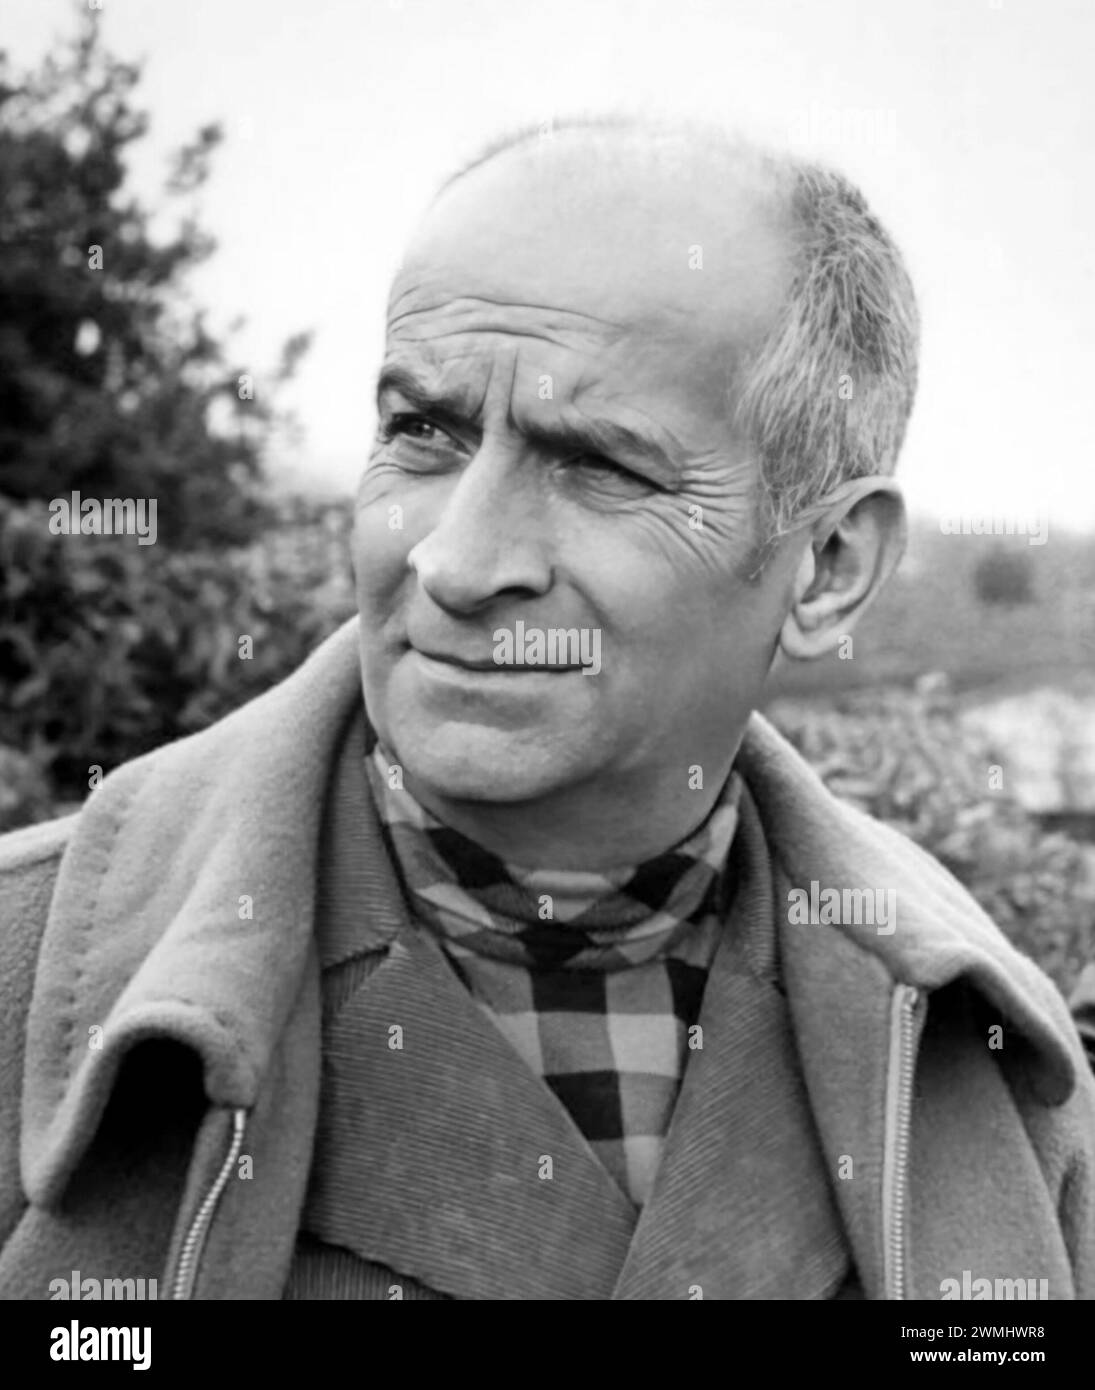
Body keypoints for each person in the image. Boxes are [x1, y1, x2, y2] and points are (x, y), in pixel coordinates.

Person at [2, 116, 1093, 1301]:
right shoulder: (32, 974)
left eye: (601, 466)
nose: (458, 563)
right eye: (422, 430)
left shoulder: (989, 1072)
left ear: (827, 565)